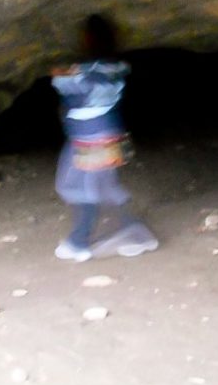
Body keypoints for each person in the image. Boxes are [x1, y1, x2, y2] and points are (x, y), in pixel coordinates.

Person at [51, 14, 158, 262]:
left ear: (88, 39)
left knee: (82, 188)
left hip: (92, 139)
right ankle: (135, 235)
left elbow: (65, 84)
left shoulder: (88, 70)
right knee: (96, 187)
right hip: (104, 136)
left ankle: (79, 243)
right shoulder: (116, 67)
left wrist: (63, 74)